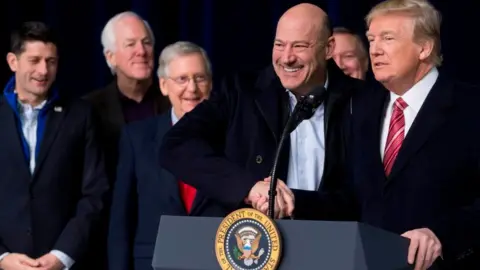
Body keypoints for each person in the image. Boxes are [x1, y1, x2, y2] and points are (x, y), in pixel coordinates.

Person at [259, 0, 480, 269]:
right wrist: (295, 200)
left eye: (388, 38)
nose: (375, 50)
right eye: (372, 39)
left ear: (425, 47)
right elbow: (352, 199)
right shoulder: (363, 106)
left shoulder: (469, 107)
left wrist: (441, 235)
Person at [159, 3, 366, 220]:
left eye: (299, 46)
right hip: (248, 245)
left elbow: (365, 197)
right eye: (279, 45)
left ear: (328, 48)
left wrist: (298, 203)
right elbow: (175, 145)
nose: (287, 58)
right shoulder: (240, 92)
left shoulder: (361, 100)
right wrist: (248, 187)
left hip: (332, 245)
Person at [0, 22, 108, 270]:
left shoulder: (81, 115)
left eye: (51, 61)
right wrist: (3, 258)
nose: (43, 70)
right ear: (13, 62)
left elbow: (95, 192)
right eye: (34, 60)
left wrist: (62, 255)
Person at [108, 41, 223, 270]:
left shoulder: (233, 138)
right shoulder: (137, 138)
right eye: (181, 79)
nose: (192, 88)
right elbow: (121, 220)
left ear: (210, 84)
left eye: (200, 78)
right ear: (163, 85)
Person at [83, 11, 169, 269]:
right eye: (130, 44)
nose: (141, 51)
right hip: (104, 236)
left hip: (163, 235)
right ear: (110, 57)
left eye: (146, 42)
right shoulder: (88, 109)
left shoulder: (175, 101)